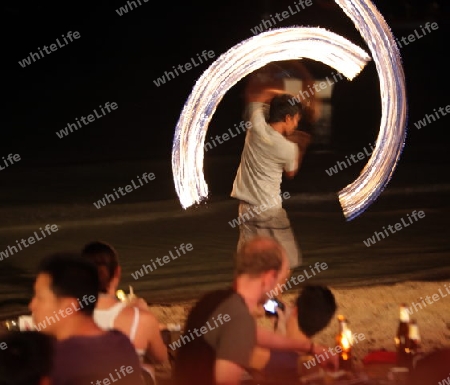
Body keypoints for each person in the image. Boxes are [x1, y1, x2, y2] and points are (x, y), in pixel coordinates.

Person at [172, 236, 338, 385]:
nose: (280, 289)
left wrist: (311, 348)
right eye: (280, 282)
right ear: (268, 278)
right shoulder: (238, 317)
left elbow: (252, 334)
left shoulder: (214, 300)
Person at [231, 69, 312, 271]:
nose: (296, 124)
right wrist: (301, 144)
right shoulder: (287, 148)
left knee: (249, 262)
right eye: (295, 120)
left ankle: (246, 299)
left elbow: (256, 98)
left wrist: (279, 91)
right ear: (287, 118)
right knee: (286, 261)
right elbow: (291, 172)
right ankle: (273, 300)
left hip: (245, 209)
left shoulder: (255, 126)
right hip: (269, 210)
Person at [29, 252, 145, 385]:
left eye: (40, 298)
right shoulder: (122, 344)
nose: (32, 305)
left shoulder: (55, 361)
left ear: (69, 307)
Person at [81, 240, 168, 383]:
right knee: (146, 369)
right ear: (117, 272)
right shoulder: (141, 319)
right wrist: (145, 317)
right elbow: (161, 358)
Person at [249, 286, 338, 383]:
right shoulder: (315, 357)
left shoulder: (270, 356)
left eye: (291, 304)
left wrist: (250, 312)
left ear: (295, 311)